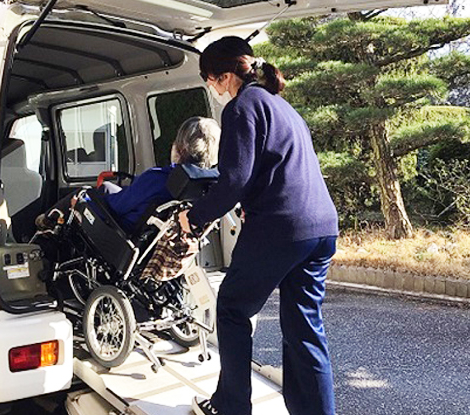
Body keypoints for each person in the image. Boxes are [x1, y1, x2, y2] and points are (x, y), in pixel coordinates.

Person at [179, 37, 338, 415]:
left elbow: (234, 179)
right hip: (321, 227)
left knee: (233, 308)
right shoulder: (282, 107)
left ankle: (230, 407)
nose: (211, 88)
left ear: (223, 76)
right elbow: (270, 172)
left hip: (281, 227)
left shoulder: (240, 107)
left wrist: (195, 217)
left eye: (209, 79)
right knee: (304, 330)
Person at [37, 116, 220, 234]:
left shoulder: (157, 178)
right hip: (156, 235)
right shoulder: (207, 185)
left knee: (83, 194)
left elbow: (118, 206)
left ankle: (45, 222)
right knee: (107, 187)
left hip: (123, 230)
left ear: (179, 147)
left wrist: (85, 203)